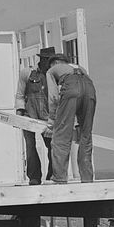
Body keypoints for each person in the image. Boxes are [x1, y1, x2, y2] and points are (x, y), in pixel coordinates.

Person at [45, 52, 97, 184]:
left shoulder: (52, 70)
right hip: (90, 90)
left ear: (55, 63)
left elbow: (53, 96)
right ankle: (87, 179)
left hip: (72, 88)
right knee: (86, 135)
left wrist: (52, 120)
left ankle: (59, 178)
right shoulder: (80, 68)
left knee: (61, 136)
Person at [15, 47, 56, 185]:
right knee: (30, 146)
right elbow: (20, 94)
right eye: (48, 61)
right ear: (42, 60)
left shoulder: (54, 76)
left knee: (52, 146)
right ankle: (34, 177)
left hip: (47, 118)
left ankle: (52, 175)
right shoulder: (27, 73)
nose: (49, 64)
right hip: (29, 116)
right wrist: (19, 113)